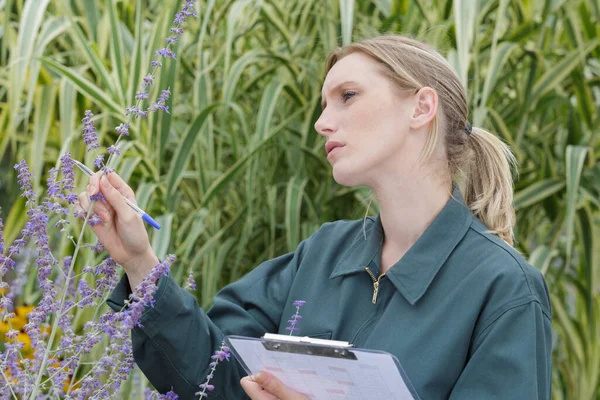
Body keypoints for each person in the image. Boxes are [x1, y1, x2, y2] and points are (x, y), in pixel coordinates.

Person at [78, 34, 552, 399]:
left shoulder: (504, 290)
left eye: (347, 96)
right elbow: (214, 377)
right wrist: (140, 265)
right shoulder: (322, 255)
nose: (322, 123)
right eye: (325, 104)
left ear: (421, 107)